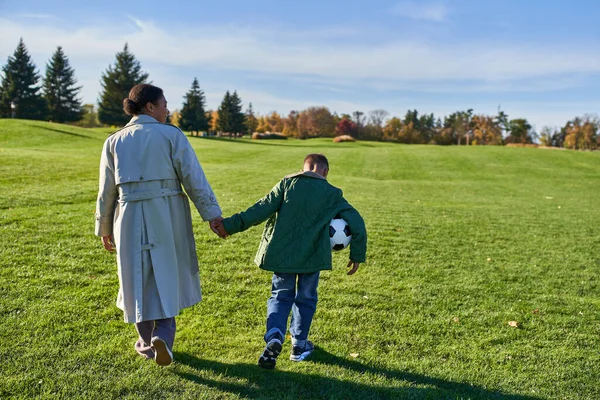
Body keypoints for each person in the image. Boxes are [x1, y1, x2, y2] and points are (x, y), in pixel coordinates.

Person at [95, 83, 223, 366]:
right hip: (166, 213)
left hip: (127, 214)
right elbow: (193, 177)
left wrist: (104, 228)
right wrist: (212, 214)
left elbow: (106, 191)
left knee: (135, 277)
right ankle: (163, 333)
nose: (168, 109)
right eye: (165, 104)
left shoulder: (114, 141)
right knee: (166, 272)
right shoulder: (171, 135)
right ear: (150, 107)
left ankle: (146, 342)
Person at [212, 154, 367, 369]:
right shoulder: (333, 194)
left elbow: (259, 210)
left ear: (304, 168)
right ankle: (298, 346)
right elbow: (357, 223)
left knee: (280, 296)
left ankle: (275, 336)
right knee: (306, 299)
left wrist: (229, 226)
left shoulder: (287, 184)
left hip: (282, 255)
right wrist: (356, 255)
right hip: (312, 258)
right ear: (325, 172)